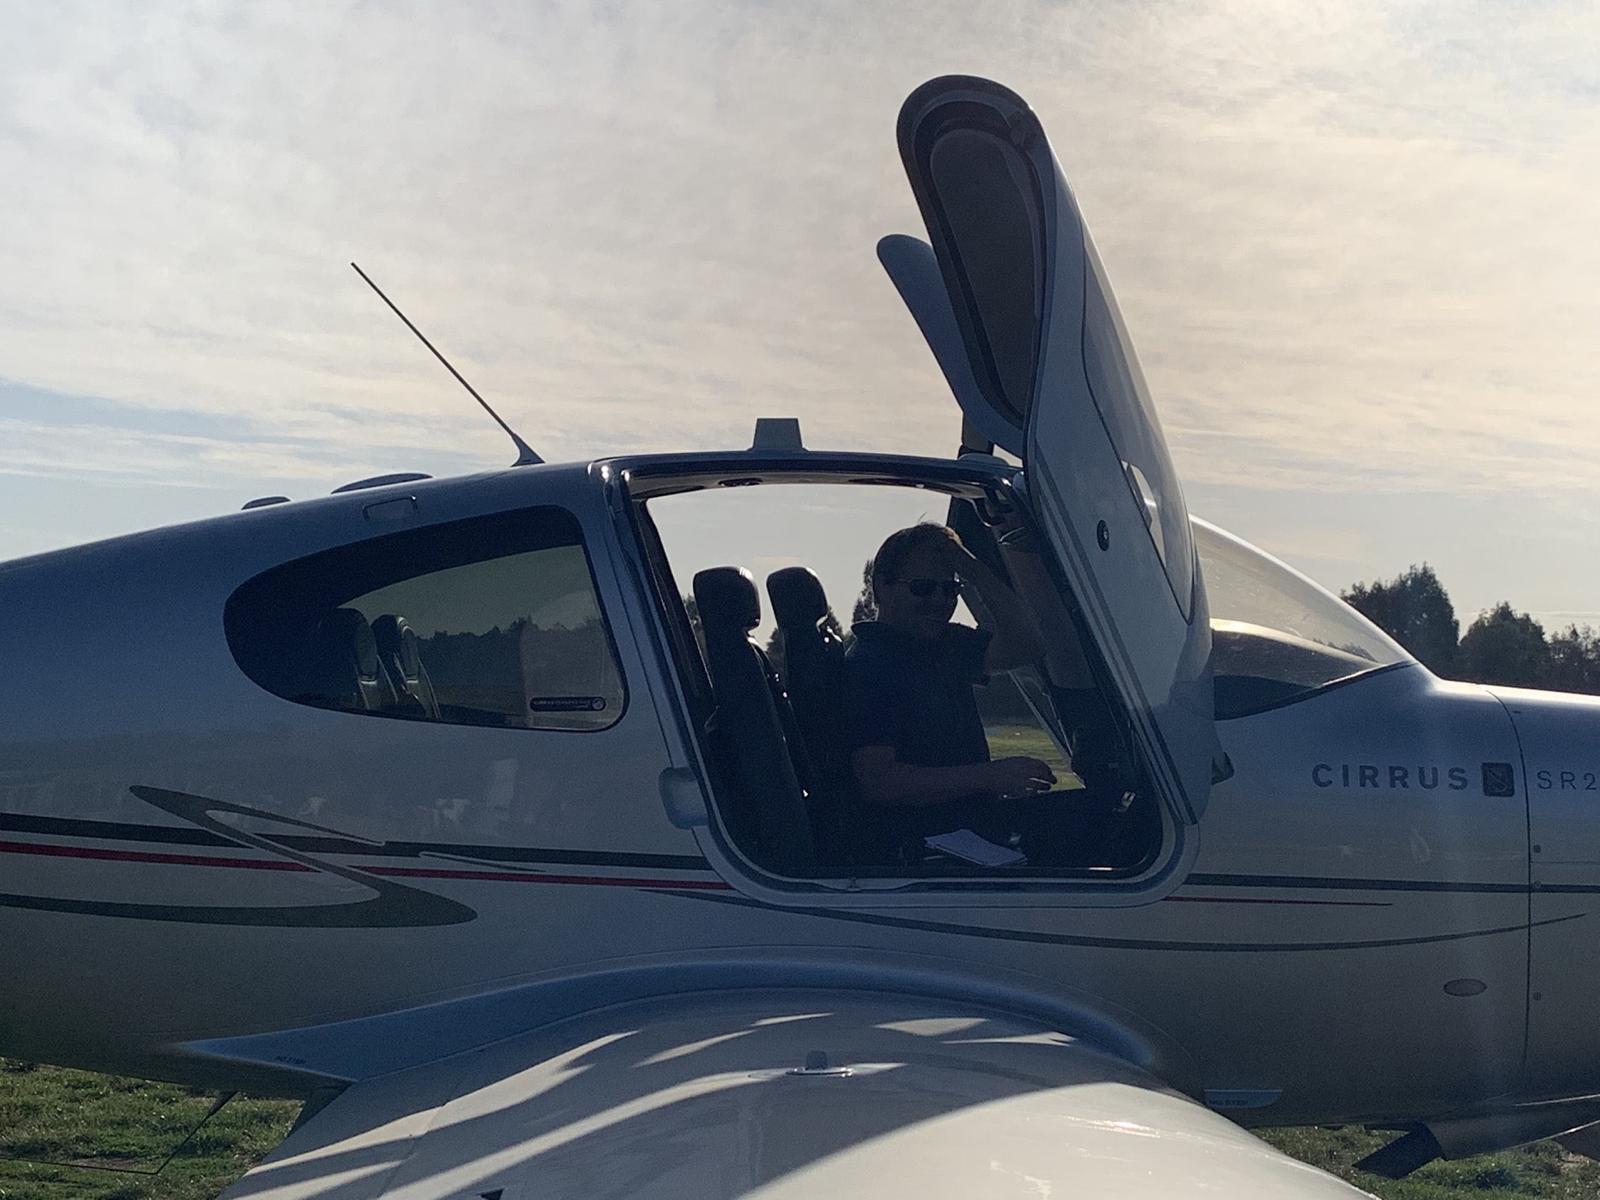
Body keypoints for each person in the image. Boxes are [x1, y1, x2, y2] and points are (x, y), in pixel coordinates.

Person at [841, 522, 1064, 864]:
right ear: (882, 589)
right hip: (924, 847)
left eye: (949, 590)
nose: (938, 601)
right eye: (923, 588)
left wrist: (972, 569)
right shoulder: (871, 666)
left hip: (971, 832)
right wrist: (989, 776)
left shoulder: (945, 646)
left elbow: (1028, 644)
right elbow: (879, 781)